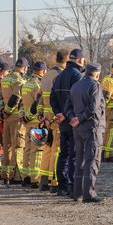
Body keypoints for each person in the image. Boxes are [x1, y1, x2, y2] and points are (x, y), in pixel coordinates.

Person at [66, 62, 106, 203]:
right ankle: (89, 194)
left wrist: (73, 118)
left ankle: (77, 193)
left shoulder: (76, 86)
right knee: (92, 160)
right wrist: (81, 118)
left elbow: (68, 106)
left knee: (80, 160)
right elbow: (93, 107)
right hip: (92, 128)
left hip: (78, 129)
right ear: (97, 74)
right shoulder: (94, 86)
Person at [50, 48, 85, 196]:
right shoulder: (77, 76)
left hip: (63, 122)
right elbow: (74, 99)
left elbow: (52, 98)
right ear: (80, 60)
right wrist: (65, 114)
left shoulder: (59, 76)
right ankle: (72, 186)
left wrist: (58, 113)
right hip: (73, 121)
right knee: (74, 154)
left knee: (63, 153)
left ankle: (62, 185)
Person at [39, 50, 68, 192]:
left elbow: (40, 98)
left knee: (47, 148)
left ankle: (43, 180)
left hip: (46, 117)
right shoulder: (60, 76)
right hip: (56, 116)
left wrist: (41, 115)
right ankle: (53, 181)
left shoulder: (46, 75)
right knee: (57, 149)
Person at [0, 57, 28, 184]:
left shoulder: (5, 78)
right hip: (15, 117)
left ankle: (5, 175)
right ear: (25, 68)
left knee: (7, 145)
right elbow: (16, 98)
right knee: (18, 146)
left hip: (6, 119)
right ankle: (16, 176)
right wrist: (7, 111)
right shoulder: (19, 80)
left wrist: (2, 111)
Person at [21, 61, 47, 188]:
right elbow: (37, 105)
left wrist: (23, 117)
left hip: (27, 122)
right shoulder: (38, 85)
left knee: (27, 149)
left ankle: (25, 177)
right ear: (43, 71)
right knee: (37, 151)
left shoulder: (26, 84)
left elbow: (22, 104)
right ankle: (35, 179)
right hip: (36, 122)